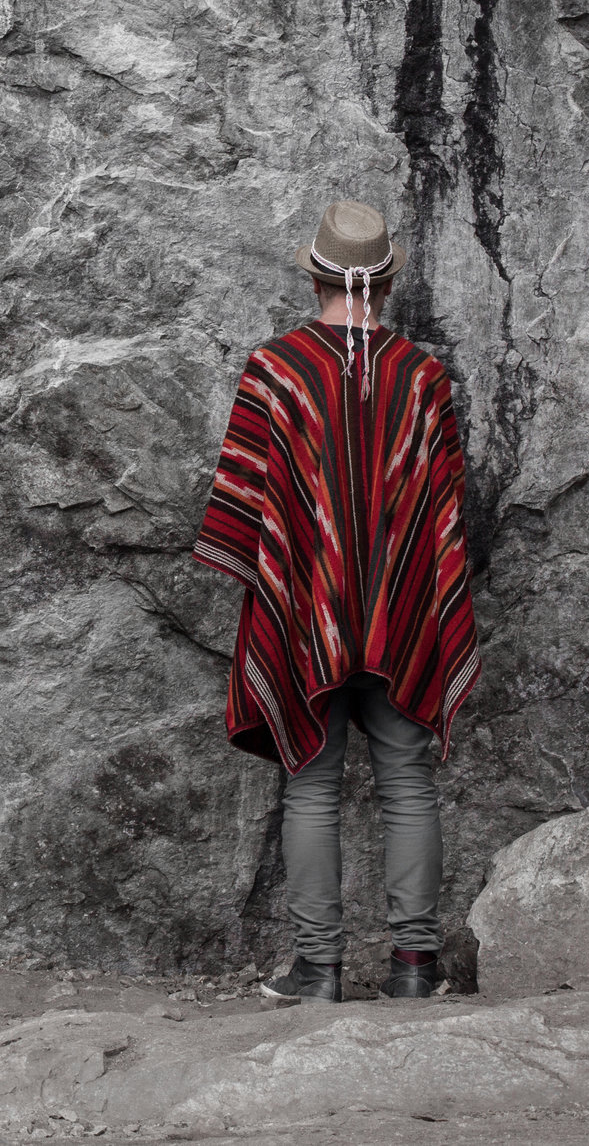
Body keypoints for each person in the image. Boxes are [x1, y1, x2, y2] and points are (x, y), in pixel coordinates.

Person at [191, 200, 479, 1001]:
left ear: (313, 271)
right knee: (408, 780)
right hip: (402, 609)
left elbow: (245, 509)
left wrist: (300, 577)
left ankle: (318, 971)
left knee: (311, 784)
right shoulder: (421, 376)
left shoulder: (274, 370)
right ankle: (415, 967)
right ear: (388, 280)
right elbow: (446, 508)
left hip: (303, 608)